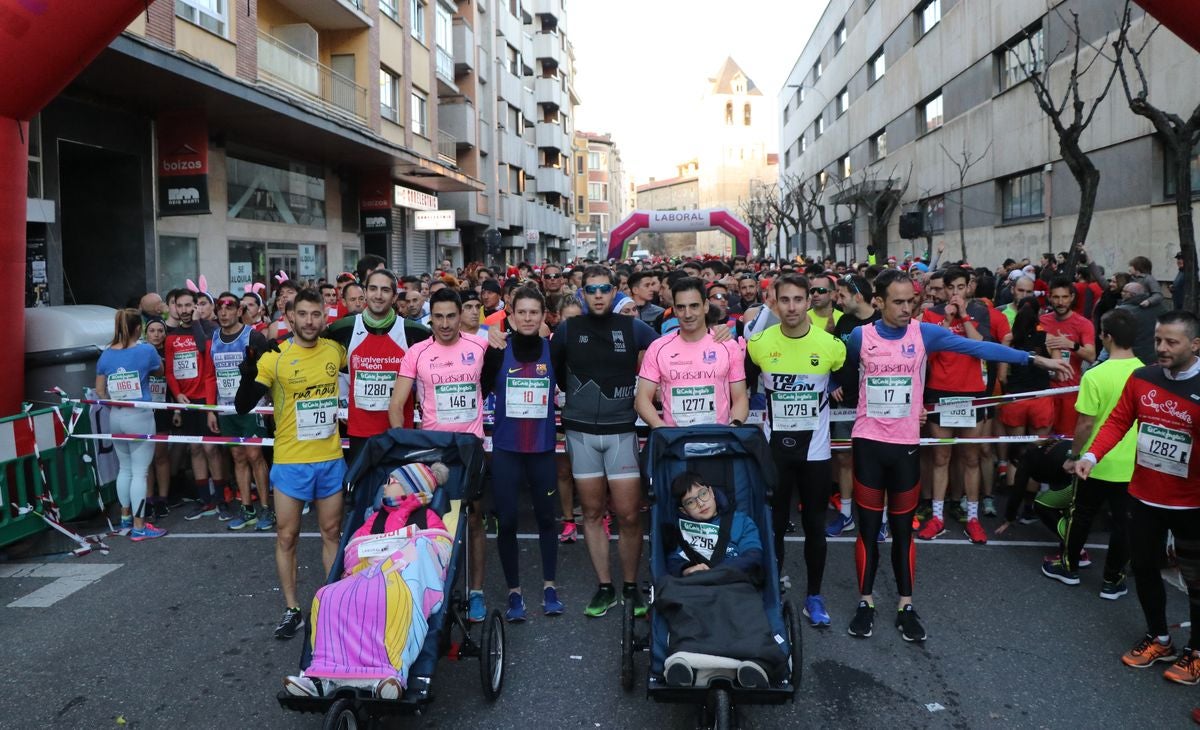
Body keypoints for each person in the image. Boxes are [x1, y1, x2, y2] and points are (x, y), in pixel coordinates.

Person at [842, 270, 1071, 642]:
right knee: (868, 531)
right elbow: (840, 374)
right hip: (868, 443)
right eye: (896, 302)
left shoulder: (923, 333)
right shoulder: (859, 336)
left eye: (910, 302)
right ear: (879, 302)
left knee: (902, 532)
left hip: (905, 447)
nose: (905, 309)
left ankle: (905, 605)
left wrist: (1035, 360)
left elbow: (979, 348)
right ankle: (865, 602)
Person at [1071, 311, 1200, 681]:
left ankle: (1195, 652)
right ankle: (1159, 639)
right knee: (1143, 568)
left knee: (1195, 579)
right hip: (1144, 495)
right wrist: (1092, 455)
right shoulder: (1141, 378)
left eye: (1171, 342)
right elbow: (1118, 420)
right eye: (1158, 339)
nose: (1161, 347)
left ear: (1194, 345)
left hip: (1191, 503)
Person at [235, 289, 348, 640]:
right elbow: (242, 405)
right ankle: (292, 608)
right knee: (287, 536)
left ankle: (333, 602)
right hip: (290, 461)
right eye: (303, 314)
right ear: (290, 317)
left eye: (316, 314)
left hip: (330, 459)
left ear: (325, 317)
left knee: (332, 534)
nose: (310, 321)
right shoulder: (277, 355)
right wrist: (250, 370)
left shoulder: (336, 350)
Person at [551, 265, 658, 618]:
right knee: (593, 514)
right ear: (582, 293)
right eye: (591, 289)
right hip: (581, 435)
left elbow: (669, 351)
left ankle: (630, 585)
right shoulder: (567, 330)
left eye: (604, 288)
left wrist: (718, 333)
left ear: (615, 292)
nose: (598, 295)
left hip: (620, 434)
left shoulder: (633, 327)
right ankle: (605, 587)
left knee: (628, 515)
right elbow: (553, 370)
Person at [745, 274, 846, 628]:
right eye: (784, 300)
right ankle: (772, 590)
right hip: (775, 450)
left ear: (809, 302)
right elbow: (742, 384)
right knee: (773, 525)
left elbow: (847, 380)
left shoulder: (830, 345)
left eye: (798, 300)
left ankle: (814, 596)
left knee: (814, 524)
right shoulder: (758, 343)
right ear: (774, 300)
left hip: (815, 452)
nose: (791, 307)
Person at [387, 288, 489, 621]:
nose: (444, 324)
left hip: (471, 446)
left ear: (461, 316)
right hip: (436, 451)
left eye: (451, 316)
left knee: (474, 520)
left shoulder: (481, 344)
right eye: (438, 317)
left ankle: (476, 592)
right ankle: (436, 589)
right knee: (437, 521)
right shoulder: (417, 352)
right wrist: (403, 446)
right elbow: (396, 404)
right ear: (431, 318)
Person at [1040, 309, 1139, 597]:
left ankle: (1069, 567)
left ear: (1106, 337)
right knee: (1122, 524)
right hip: (1131, 464)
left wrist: (1074, 455)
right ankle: (1113, 579)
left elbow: (1085, 423)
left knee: (1080, 515)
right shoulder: (1146, 372)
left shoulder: (1095, 374)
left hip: (1093, 461)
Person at [481, 286, 564, 622]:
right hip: (507, 451)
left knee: (547, 519)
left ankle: (549, 586)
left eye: (534, 312)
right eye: (522, 312)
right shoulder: (498, 350)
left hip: (542, 450)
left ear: (543, 316)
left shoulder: (553, 350)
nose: (528, 318)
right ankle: (514, 592)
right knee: (508, 523)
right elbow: (482, 387)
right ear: (511, 316)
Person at [917, 268, 998, 544]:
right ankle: (937, 517)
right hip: (940, 391)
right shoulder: (931, 315)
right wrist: (947, 317)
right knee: (941, 457)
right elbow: (928, 351)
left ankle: (973, 518)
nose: (955, 293)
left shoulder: (980, 312)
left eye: (960, 287)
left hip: (972, 391)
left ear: (969, 288)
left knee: (971, 457)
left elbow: (981, 346)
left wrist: (963, 316)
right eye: (950, 288)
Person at [325, 269, 430, 471]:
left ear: (394, 296)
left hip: (399, 432)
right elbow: (311, 343)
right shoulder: (343, 328)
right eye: (373, 289)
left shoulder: (414, 331)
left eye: (385, 290)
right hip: (360, 433)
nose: (378, 295)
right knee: (361, 497)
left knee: (396, 498)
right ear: (365, 292)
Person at [636, 276, 748, 430]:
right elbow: (642, 400)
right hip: (675, 446)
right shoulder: (658, 348)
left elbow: (740, 398)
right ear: (674, 309)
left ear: (706, 306)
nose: (687, 314)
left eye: (694, 306)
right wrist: (663, 431)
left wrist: (732, 428)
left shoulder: (728, 346)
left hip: (719, 443)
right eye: (681, 307)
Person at [94, 309, 167, 541]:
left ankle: (125, 517)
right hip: (140, 414)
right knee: (139, 472)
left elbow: (99, 391)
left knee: (124, 469)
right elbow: (160, 370)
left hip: (115, 415)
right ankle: (139, 525)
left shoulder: (105, 354)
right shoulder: (146, 350)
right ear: (139, 329)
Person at [208, 292, 274, 531]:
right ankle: (247, 509)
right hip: (225, 406)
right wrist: (210, 410)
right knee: (237, 457)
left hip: (252, 405)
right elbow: (210, 375)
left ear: (239, 311)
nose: (223, 313)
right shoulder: (213, 338)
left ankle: (267, 508)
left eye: (229, 308)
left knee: (255, 456)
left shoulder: (253, 337)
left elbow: (269, 371)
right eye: (220, 308)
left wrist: (269, 404)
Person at [163, 288, 227, 519]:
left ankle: (221, 498)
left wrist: (210, 408)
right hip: (185, 399)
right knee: (195, 449)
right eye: (179, 306)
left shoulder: (208, 331)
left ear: (196, 307)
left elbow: (209, 369)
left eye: (188, 305)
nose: (184, 310)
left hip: (206, 398)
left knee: (211, 448)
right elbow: (169, 371)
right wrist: (178, 397)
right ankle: (205, 499)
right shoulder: (171, 335)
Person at [828, 274, 880, 538]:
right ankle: (846, 514)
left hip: (877, 406)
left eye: (842, 295)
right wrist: (831, 383)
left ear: (858, 296)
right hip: (845, 404)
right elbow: (833, 357)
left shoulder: (882, 321)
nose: (838, 300)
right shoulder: (844, 321)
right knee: (844, 458)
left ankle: (879, 518)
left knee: (875, 461)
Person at [1040, 277, 1097, 436]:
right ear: (1050, 297)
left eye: (1065, 297)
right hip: (1045, 391)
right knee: (1042, 440)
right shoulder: (1042, 321)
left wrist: (1071, 344)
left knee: (1065, 438)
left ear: (1072, 298)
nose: (1060, 302)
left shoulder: (1083, 324)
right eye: (1056, 297)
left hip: (1069, 392)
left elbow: (1091, 356)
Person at [1116, 281, 1168, 364]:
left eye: (1124, 291)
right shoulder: (1160, 307)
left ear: (1132, 295)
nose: (1121, 293)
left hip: (1133, 355)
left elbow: (1116, 335)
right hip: (1155, 354)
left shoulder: (1123, 311)